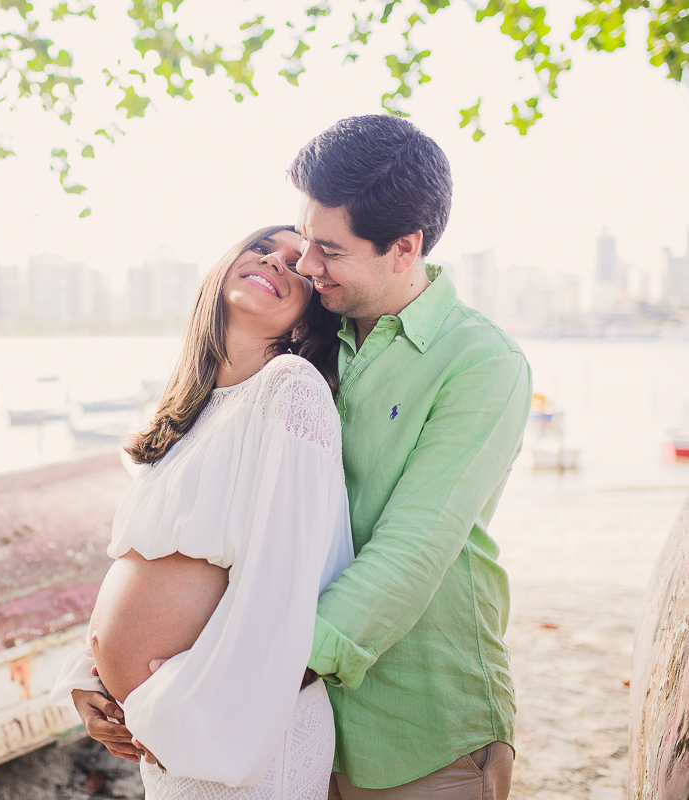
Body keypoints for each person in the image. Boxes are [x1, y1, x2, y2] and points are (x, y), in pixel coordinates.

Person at [70, 115, 531, 800]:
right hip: (281, 711)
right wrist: (103, 665)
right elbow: (221, 533)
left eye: (329, 251)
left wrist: (213, 687)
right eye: (303, 242)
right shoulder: (307, 341)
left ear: (405, 248)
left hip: (415, 720)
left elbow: (409, 552)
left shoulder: (482, 364)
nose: (307, 267)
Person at [51, 224, 355, 799]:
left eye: (298, 263)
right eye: (263, 247)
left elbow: (284, 585)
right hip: (161, 726)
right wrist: (88, 676)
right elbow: (143, 567)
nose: (276, 261)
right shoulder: (184, 418)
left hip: (228, 723)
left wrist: (173, 702)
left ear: (304, 320)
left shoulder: (289, 389)